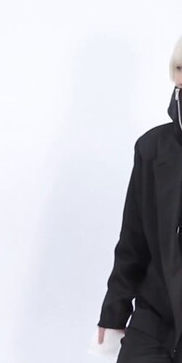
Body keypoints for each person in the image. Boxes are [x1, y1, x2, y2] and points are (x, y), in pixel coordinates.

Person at [97, 35, 182, 362]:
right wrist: (114, 311)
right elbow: (133, 239)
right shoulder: (153, 147)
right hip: (155, 320)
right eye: (179, 68)